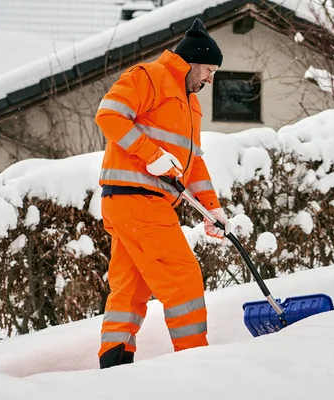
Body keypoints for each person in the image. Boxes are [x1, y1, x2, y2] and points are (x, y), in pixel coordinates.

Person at [94, 18, 231, 369]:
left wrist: (212, 210)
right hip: (136, 197)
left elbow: (193, 164)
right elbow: (108, 115)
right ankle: (195, 359)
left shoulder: (191, 105)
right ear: (191, 62)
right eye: (208, 70)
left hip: (137, 204)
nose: (209, 79)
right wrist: (151, 155)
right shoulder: (149, 77)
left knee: (131, 287)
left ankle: (114, 363)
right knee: (182, 276)